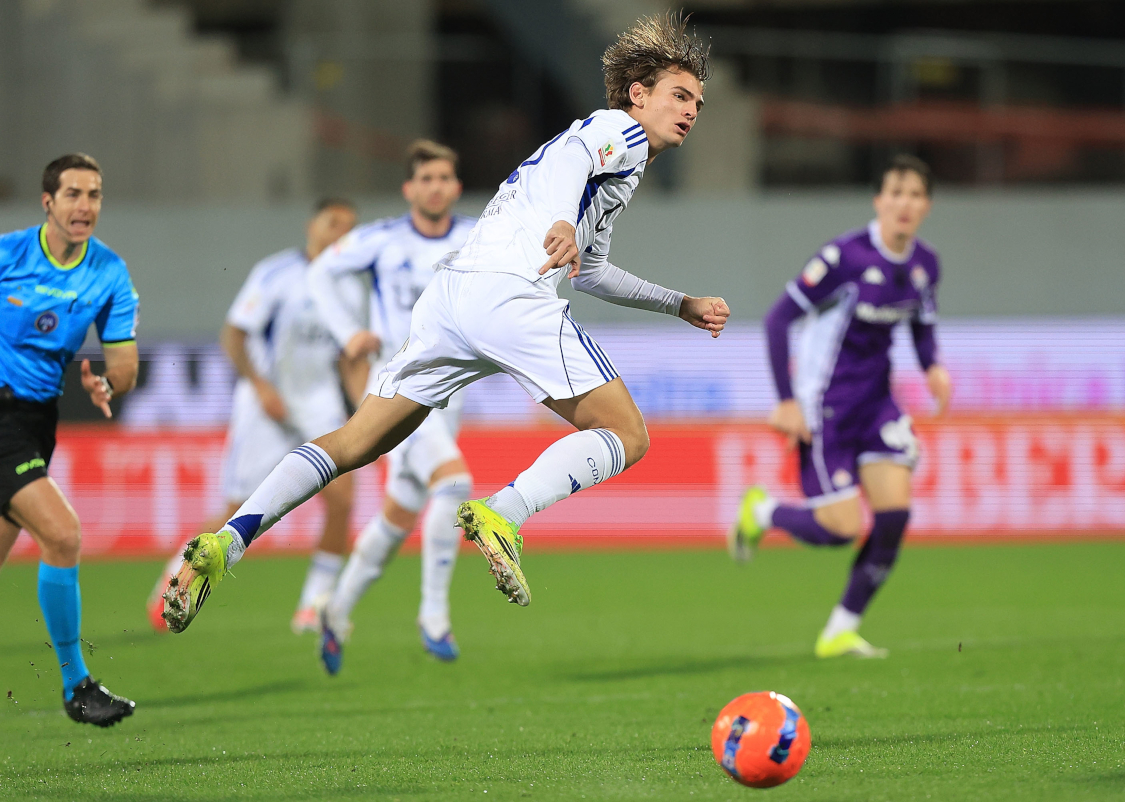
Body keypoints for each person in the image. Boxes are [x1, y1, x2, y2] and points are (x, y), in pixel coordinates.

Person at [161, 12, 730, 634]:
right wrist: (564, 220)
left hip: (451, 299)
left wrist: (680, 303)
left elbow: (591, 272)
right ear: (637, 94)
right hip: (509, 297)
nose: (691, 110)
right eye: (680, 95)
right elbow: (573, 156)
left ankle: (227, 541)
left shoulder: (617, 168)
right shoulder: (615, 129)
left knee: (356, 442)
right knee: (628, 434)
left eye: (698, 102)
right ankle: (503, 514)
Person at [728, 154, 953, 659]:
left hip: (877, 405)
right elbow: (776, 320)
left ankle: (840, 630)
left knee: (894, 514)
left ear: (927, 205)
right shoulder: (845, 258)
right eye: (894, 192)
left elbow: (920, 326)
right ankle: (763, 511)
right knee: (842, 528)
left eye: (915, 194)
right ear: (878, 200)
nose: (904, 203)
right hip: (825, 409)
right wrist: (786, 402)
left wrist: (932, 366)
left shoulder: (924, 266)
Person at [146, 199, 360, 634]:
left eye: (349, 228)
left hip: (318, 401)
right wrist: (261, 387)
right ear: (311, 225)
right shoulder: (276, 272)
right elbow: (233, 336)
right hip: (266, 402)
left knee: (343, 501)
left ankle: (313, 606)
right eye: (332, 223)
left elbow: (348, 354)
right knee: (233, 510)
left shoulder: (352, 284)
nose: (340, 233)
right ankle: (170, 585)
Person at [305, 140, 476, 671]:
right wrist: (347, 331)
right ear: (409, 189)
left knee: (399, 514)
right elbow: (318, 272)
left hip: (451, 390)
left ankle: (335, 612)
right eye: (425, 178)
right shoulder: (381, 239)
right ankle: (434, 615)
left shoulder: (475, 237)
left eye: (444, 177)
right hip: (397, 387)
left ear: (456, 186)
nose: (435, 186)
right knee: (455, 482)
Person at [0, 153, 139, 725]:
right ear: (48, 202)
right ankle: (76, 685)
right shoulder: (9, 254)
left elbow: (126, 367)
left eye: (96, 195)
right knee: (63, 533)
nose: (86, 206)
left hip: (37, 421)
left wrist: (104, 381)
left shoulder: (109, 272)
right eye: (74, 194)